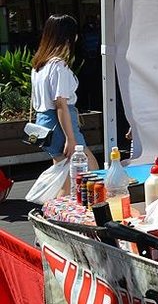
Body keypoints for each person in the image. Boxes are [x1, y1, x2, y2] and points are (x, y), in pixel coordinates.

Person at [31, 15, 98, 194]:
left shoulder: (39, 65)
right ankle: (75, 215)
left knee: (63, 177)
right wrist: (70, 138)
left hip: (44, 124)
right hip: (61, 125)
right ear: (69, 37)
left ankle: (55, 214)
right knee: (90, 171)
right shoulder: (58, 66)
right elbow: (61, 104)